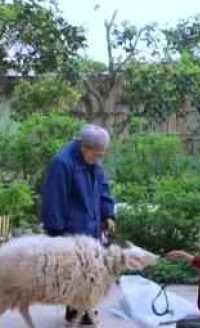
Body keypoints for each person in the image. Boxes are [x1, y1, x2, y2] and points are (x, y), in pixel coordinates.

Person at [41, 124, 116, 325]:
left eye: (102, 154)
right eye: (97, 154)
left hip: (90, 226)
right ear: (85, 147)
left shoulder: (94, 163)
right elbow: (53, 200)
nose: (99, 158)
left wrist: (108, 214)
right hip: (71, 230)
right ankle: (76, 311)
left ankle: (83, 309)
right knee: (75, 273)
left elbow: (103, 189)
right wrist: (57, 232)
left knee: (90, 271)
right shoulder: (62, 163)